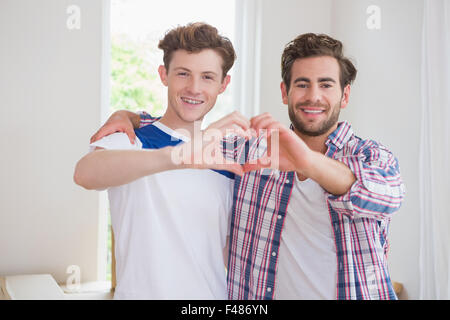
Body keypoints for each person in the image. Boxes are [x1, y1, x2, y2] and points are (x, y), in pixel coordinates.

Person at [92, 33, 406, 300]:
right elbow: (182, 133)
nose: (313, 96)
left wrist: (306, 161)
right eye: (302, 84)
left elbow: (383, 197)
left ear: (344, 95)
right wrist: (131, 117)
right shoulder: (251, 151)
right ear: (285, 93)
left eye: (326, 85)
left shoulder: (371, 157)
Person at [74, 22, 251, 299]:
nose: (194, 88)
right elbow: (85, 173)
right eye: (183, 74)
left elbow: (220, 249)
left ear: (223, 84)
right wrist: (179, 155)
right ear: (164, 74)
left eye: (207, 77)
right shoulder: (131, 139)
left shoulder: (228, 162)